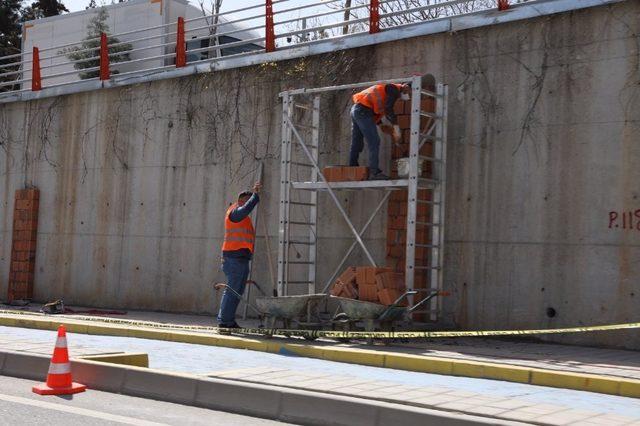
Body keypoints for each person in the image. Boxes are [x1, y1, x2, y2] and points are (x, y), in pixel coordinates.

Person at [217, 182, 261, 328]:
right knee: (232, 290)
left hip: (241, 258)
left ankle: (228, 320)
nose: (249, 205)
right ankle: (224, 321)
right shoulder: (235, 213)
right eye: (247, 201)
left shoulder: (243, 218)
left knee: (236, 292)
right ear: (241, 201)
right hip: (233, 259)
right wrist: (255, 196)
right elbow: (246, 209)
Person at [350, 83, 411, 180]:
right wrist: (396, 126)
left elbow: (376, 108)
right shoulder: (394, 89)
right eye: (408, 92)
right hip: (363, 111)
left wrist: (381, 124)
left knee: (357, 141)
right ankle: (374, 173)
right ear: (406, 86)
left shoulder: (387, 91)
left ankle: (352, 168)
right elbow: (388, 109)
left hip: (357, 109)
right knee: (374, 141)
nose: (407, 94)